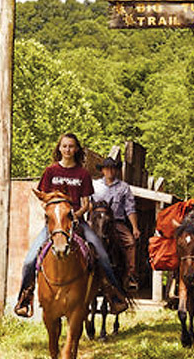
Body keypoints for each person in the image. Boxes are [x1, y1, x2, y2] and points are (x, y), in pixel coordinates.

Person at [14, 133, 129, 318]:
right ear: (59, 148)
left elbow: (86, 204)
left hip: (77, 223)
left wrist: (73, 216)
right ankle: (25, 299)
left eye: (71, 146)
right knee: (29, 260)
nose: (68, 150)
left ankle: (114, 296)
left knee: (103, 255)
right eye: (64, 146)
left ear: (76, 149)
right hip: (55, 226)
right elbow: (43, 199)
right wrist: (55, 214)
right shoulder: (51, 171)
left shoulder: (82, 173)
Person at [92, 157, 141, 291]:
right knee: (85, 241)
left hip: (116, 222)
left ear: (117, 170)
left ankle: (131, 275)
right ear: (102, 170)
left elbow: (130, 208)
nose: (110, 171)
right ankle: (84, 271)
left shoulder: (124, 187)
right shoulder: (94, 185)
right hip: (97, 222)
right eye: (107, 168)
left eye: (113, 168)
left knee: (130, 242)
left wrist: (135, 227)